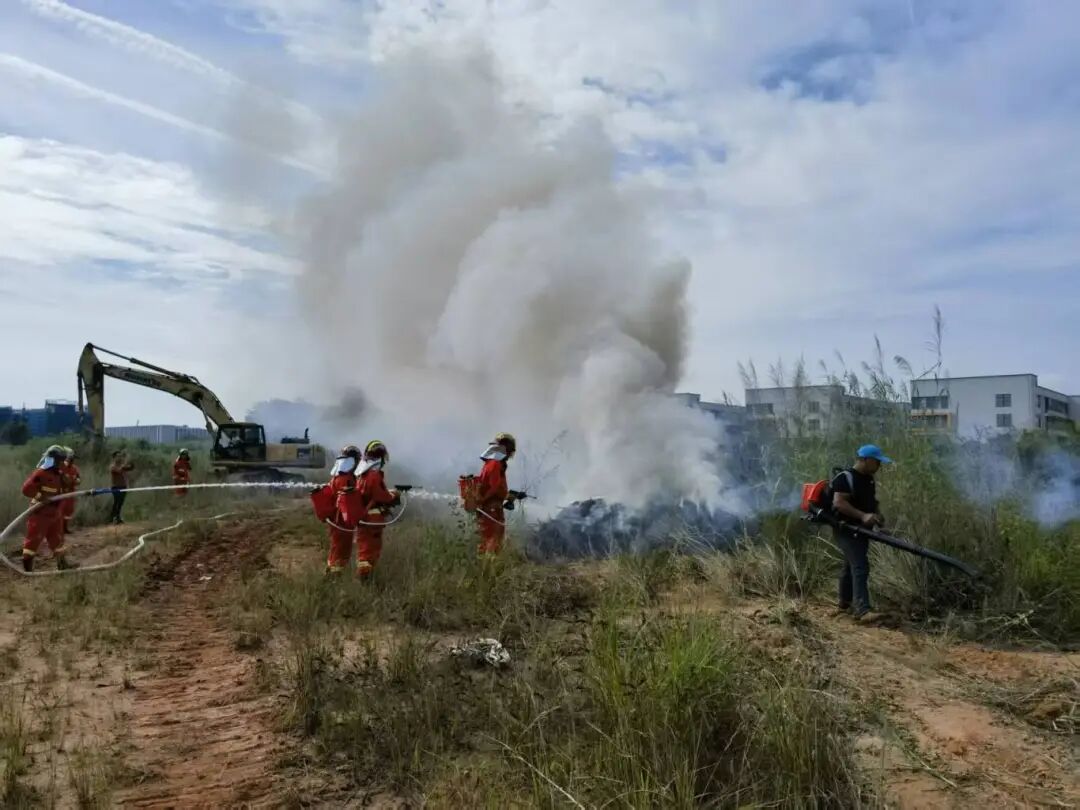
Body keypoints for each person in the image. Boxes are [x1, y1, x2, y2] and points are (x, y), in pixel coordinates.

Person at [831, 444, 891, 622]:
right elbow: (839, 503)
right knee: (860, 566)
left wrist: (878, 519)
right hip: (847, 529)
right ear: (866, 460)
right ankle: (862, 611)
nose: (879, 466)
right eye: (877, 462)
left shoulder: (868, 479)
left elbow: (872, 502)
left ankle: (845, 604)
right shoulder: (845, 478)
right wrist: (863, 515)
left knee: (850, 566)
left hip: (862, 530)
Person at [21, 444, 78, 571]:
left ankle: (62, 565)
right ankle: (28, 570)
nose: (61, 463)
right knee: (33, 540)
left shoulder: (59, 474)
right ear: (53, 460)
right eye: (59, 460)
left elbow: (69, 484)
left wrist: (66, 478)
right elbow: (26, 489)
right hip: (40, 513)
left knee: (57, 540)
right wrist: (41, 497)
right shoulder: (40, 473)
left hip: (54, 513)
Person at [350, 441, 399, 579]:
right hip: (372, 520)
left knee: (364, 549)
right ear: (380, 458)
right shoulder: (374, 476)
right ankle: (365, 580)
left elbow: (369, 493)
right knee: (370, 550)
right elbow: (380, 496)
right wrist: (393, 495)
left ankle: (364, 578)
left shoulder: (362, 476)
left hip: (363, 518)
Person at [473, 433, 522, 555]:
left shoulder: (491, 464)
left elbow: (495, 488)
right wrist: (508, 496)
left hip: (489, 510)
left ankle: (485, 570)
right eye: (510, 451)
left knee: (487, 544)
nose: (510, 455)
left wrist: (511, 495)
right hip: (492, 512)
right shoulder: (495, 464)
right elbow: (494, 489)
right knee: (492, 546)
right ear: (506, 450)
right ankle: (489, 571)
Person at [324, 445, 362, 574]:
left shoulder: (336, 477)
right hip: (342, 520)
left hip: (336, 518)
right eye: (357, 460)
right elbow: (349, 499)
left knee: (335, 546)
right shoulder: (347, 479)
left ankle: (330, 568)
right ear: (353, 461)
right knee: (342, 548)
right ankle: (335, 575)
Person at [109, 451, 135, 525]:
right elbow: (119, 470)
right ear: (114, 458)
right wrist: (125, 463)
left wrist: (131, 460)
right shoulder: (112, 466)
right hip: (115, 487)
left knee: (120, 503)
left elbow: (131, 468)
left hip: (123, 486)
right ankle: (112, 517)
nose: (119, 457)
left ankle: (117, 517)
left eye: (120, 456)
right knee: (116, 502)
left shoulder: (122, 466)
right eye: (118, 456)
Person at [60, 446, 80, 535]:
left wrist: (76, 480)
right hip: (62, 493)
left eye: (73, 459)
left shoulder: (75, 468)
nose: (72, 460)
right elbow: (63, 480)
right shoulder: (61, 467)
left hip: (71, 493)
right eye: (70, 458)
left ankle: (65, 528)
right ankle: (59, 529)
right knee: (60, 511)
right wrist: (71, 480)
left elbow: (78, 478)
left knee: (69, 511)